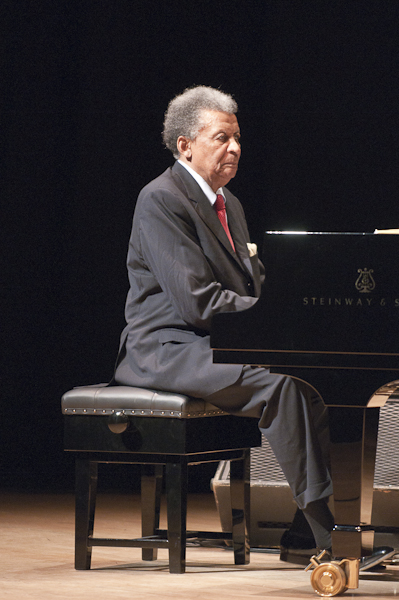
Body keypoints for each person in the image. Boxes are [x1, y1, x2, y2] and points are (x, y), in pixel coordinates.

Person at [114, 85, 392, 570]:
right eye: (222, 138)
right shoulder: (159, 199)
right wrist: (272, 318)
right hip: (168, 347)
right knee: (286, 385)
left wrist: (293, 312)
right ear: (185, 145)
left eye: (237, 138)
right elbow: (197, 302)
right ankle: (331, 535)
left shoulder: (230, 205)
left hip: (216, 343)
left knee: (313, 379)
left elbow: (254, 286)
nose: (235, 148)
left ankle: (305, 533)